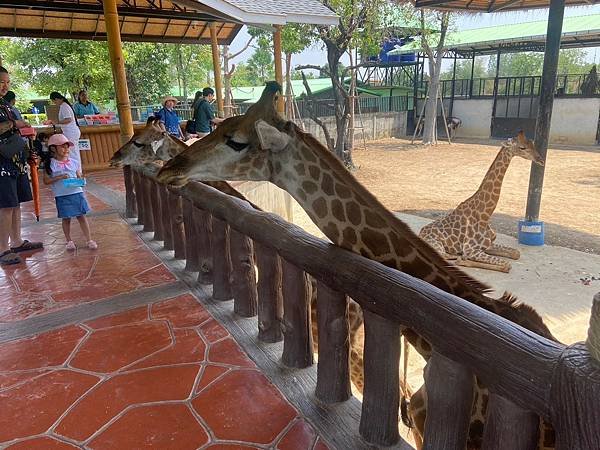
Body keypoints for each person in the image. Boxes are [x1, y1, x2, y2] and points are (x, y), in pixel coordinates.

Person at [0, 66, 43, 265]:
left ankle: (16, 241)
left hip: (14, 160)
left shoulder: (5, 105)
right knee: (5, 206)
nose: (5, 86)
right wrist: (16, 124)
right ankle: (2, 248)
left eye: (7, 82)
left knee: (15, 203)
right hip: (1, 162)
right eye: (1, 82)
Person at [42, 134, 96, 251]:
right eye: (62, 147)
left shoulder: (74, 162)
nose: (66, 149)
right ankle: (69, 240)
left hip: (76, 193)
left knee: (81, 216)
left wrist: (81, 181)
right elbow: (46, 181)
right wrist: (59, 177)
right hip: (62, 195)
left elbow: (79, 176)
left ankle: (89, 239)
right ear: (53, 148)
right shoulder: (50, 164)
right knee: (66, 218)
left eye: (67, 147)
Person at [44, 92, 82, 171]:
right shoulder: (64, 106)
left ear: (57, 99)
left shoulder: (64, 106)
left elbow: (68, 119)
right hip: (71, 131)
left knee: (72, 153)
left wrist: (56, 122)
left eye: (54, 101)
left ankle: (77, 171)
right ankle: (76, 171)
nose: (55, 103)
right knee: (73, 152)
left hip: (71, 132)